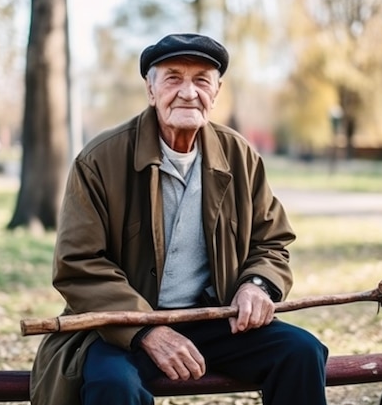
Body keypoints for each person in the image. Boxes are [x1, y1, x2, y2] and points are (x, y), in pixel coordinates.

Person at [30, 33, 328, 405]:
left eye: (201, 80)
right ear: (151, 90)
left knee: (300, 352)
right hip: (119, 328)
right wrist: (148, 330)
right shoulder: (99, 161)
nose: (188, 92)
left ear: (216, 93)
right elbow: (78, 262)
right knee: (113, 386)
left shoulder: (240, 156)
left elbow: (271, 241)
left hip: (215, 318)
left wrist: (257, 284)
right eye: (173, 78)